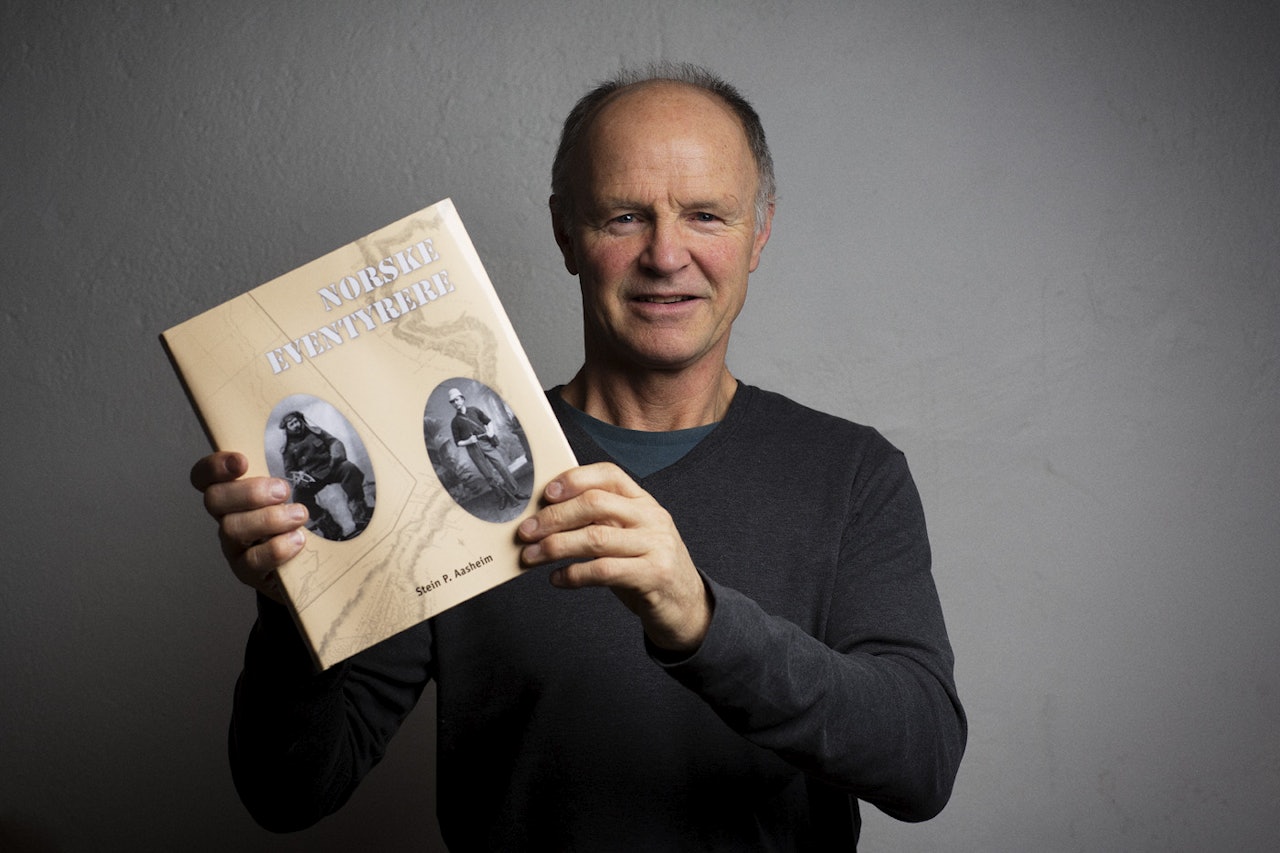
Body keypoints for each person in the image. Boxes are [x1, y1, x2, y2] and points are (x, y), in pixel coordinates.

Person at [190, 63, 965, 849]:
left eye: (707, 215)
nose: (667, 255)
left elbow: (923, 762)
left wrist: (697, 616)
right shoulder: (441, 477)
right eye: (624, 216)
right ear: (566, 232)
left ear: (759, 232)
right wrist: (294, 602)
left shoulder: (852, 472)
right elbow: (288, 791)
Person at [276, 410, 371, 540]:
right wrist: (299, 475)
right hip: (312, 478)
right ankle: (331, 529)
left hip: (331, 468)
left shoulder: (316, 432)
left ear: (300, 420)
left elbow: (334, 442)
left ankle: (361, 516)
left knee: (349, 468)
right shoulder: (287, 449)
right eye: (291, 424)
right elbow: (289, 471)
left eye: (296, 421)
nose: (296, 425)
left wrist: (335, 457)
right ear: (287, 429)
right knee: (299, 497)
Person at [448, 387, 526, 509]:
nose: (455, 403)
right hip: (473, 449)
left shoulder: (474, 410)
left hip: (486, 443)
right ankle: (502, 497)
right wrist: (468, 441)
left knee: (502, 467)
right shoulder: (455, 422)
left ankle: (516, 491)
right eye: (452, 401)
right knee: (488, 475)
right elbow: (458, 442)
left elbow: (488, 421)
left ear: (462, 399)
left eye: (457, 399)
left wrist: (490, 431)